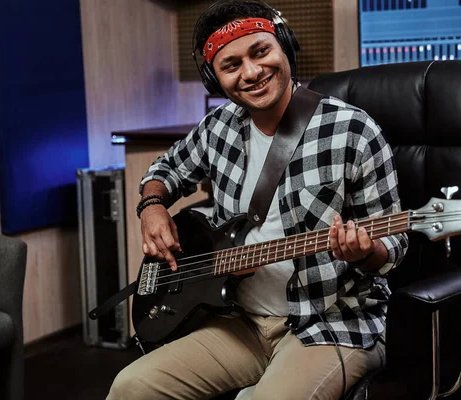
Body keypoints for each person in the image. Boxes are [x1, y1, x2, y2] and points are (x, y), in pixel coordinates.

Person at [107, 1, 408, 399]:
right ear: (214, 79)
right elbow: (165, 170)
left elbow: (396, 242)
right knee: (131, 387)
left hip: (332, 323)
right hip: (240, 320)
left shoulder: (353, 130)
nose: (251, 72)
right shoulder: (217, 128)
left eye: (260, 52)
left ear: (283, 47)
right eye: (231, 65)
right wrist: (152, 207)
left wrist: (365, 252)